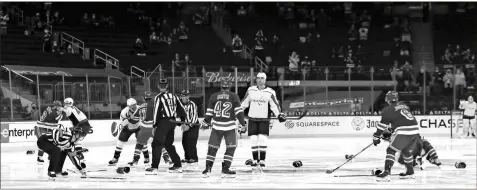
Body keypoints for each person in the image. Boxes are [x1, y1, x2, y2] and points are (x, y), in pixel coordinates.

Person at [241, 72, 286, 171]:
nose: (260, 80)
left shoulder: (270, 92)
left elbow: (275, 105)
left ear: (265, 80)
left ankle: (262, 161)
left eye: (262, 78)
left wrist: (279, 114)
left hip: (264, 119)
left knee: (262, 139)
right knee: (253, 140)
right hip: (252, 119)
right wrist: (238, 112)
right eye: (258, 78)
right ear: (256, 79)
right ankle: (255, 160)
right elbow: (244, 103)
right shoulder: (250, 90)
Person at [201, 80, 247, 178]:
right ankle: (225, 169)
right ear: (229, 87)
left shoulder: (214, 96)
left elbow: (209, 113)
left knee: (212, 148)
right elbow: (239, 112)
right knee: (231, 148)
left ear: (221, 87)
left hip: (216, 127)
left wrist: (205, 122)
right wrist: (243, 124)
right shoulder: (234, 96)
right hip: (229, 127)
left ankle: (208, 169)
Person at [372, 91, 420, 182]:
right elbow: (402, 119)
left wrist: (376, 137)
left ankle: (386, 173)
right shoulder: (404, 106)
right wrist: (393, 129)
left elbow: (382, 126)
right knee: (406, 151)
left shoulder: (387, 110)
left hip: (404, 131)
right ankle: (410, 172)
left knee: (390, 150)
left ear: (387, 99)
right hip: (415, 131)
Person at [146, 79, 187, 174]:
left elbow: (156, 112)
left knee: (156, 144)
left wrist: (155, 125)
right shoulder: (174, 96)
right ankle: (177, 165)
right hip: (172, 122)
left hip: (163, 122)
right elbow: (181, 108)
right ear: (167, 86)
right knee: (168, 144)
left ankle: (154, 167)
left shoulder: (158, 97)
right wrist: (183, 121)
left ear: (158, 86)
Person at [129, 92, 173, 166]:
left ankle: (135, 160)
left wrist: (130, 119)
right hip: (153, 128)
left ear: (144, 99)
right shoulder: (155, 106)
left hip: (143, 129)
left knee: (139, 144)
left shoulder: (140, 107)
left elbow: (134, 120)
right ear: (152, 98)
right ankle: (167, 159)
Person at [179, 90, 200, 166]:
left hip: (193, 126)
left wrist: (189, 126)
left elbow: (194, 117)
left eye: (184, 96)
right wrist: (182, 124)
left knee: (191, 142)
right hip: (186, 125)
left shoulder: (192, 105)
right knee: (184, 142)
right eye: (182, 96)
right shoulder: (182, 105)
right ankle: (187, 157)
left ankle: (193, 158)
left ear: (188, 96)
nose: (183, 97)